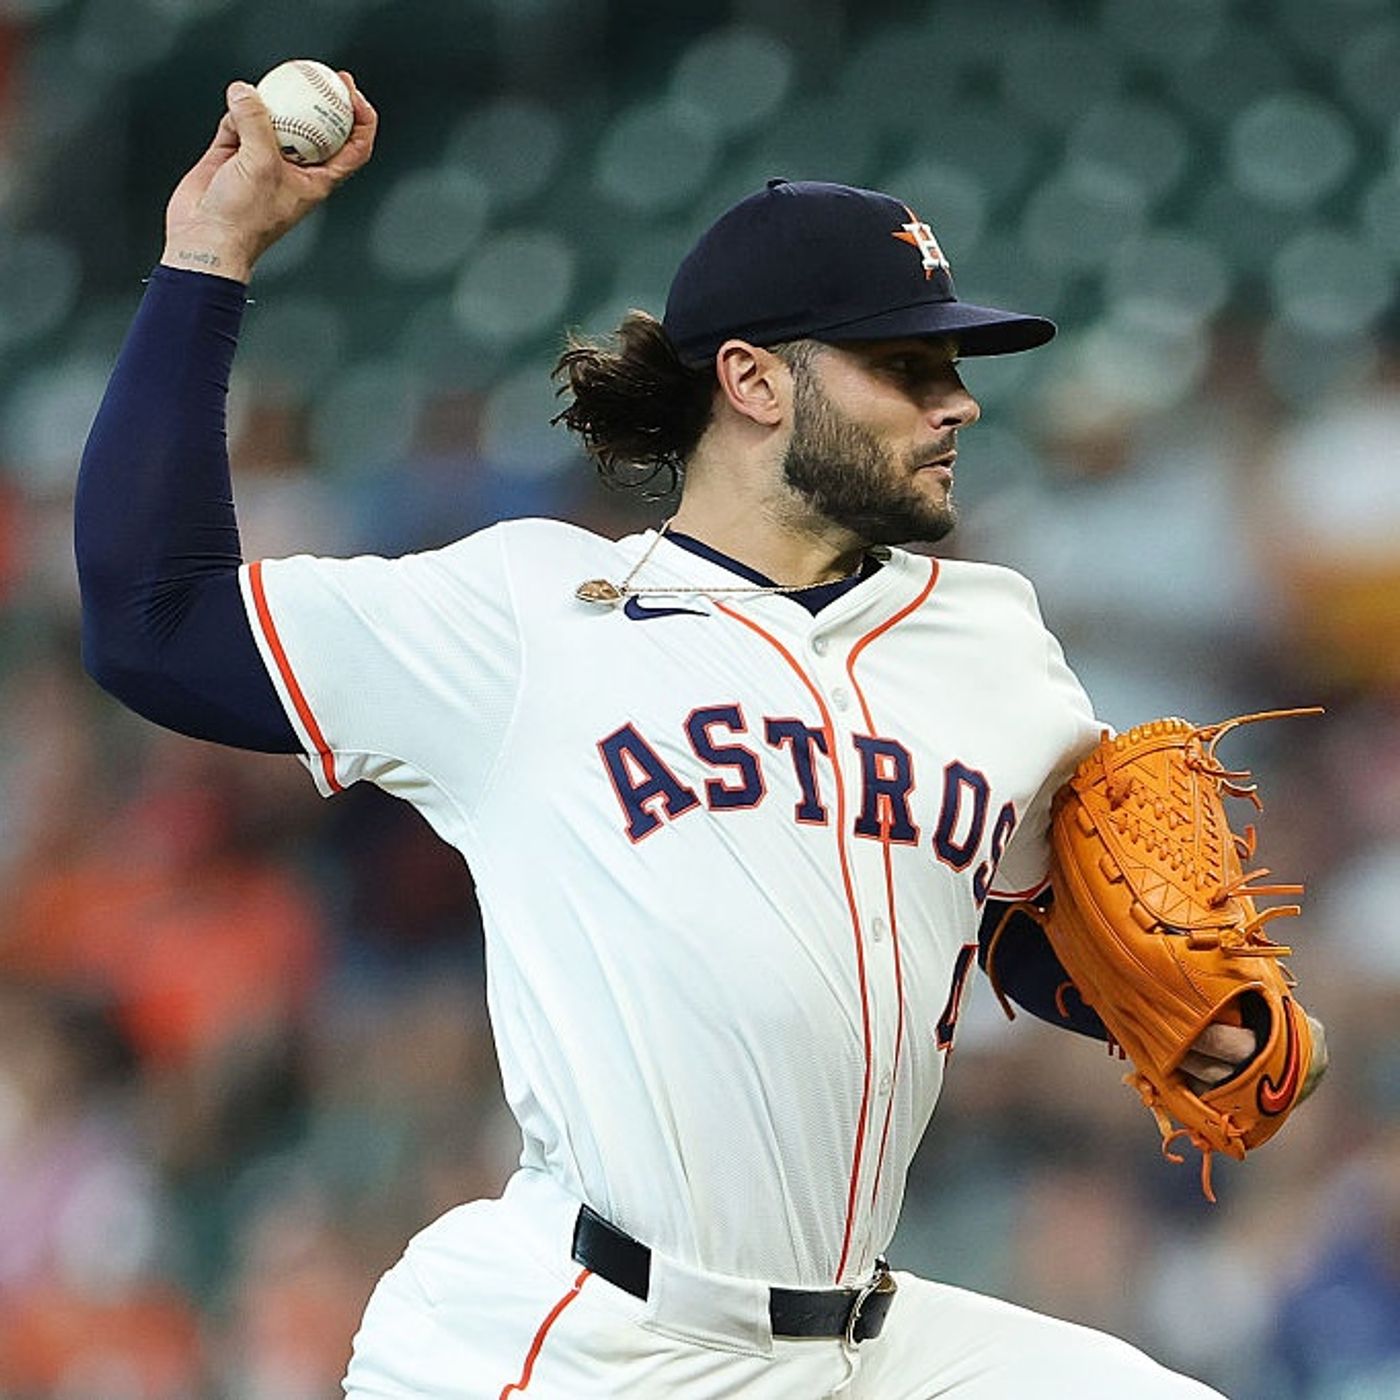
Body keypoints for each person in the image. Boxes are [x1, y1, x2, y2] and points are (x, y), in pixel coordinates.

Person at [75, 75, 1255, 1398]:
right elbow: (152, 622)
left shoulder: (993, 642)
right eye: (906, 365)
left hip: (869, 1340)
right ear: (752, 380)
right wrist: (209, 255)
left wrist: (1181, 1019)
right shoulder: (529, 613)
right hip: (599, 1336)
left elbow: (1017, 925)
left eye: (955, 368)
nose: (958, 401)